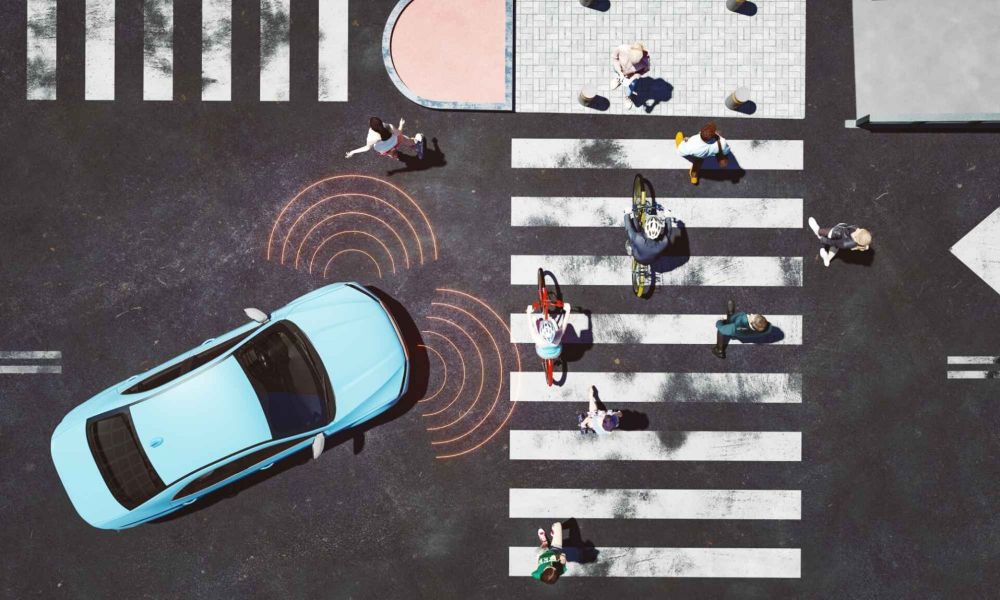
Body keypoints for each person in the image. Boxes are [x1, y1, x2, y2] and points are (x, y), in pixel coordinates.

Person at [345, 117, 424, 161]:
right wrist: (401, 124)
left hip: (384, 150)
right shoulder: (389, 126)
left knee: (389, 151)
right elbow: (399, 133)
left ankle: (394, 155)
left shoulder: (372, 137)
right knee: (403, 138)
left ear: (372, 127)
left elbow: (367, 148)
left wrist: (353, 152)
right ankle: (415, 143)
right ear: (381, 122)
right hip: (396, 142)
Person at [807, 218, 872, 267]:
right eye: (861, 229)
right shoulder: (859, 240)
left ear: (856, 238)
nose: (858, 229)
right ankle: (827, 259)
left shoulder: (845, 243)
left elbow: (834, 243)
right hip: (840, 241)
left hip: (835, 235)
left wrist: (824, 240)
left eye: (859, 230)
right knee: (835, 248)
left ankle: (817, 232)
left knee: (827, 237)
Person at [611, 42, 650, 109]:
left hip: (630, 77)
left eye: (636, 63)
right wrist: (620, 72)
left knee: (629, 89)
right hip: (619, 69)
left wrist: (633, 78)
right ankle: (618, 79)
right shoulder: (621, 48)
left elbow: (643, 71)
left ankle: (628, 97)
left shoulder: (645, 62)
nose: (632, 64)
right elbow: (614, 58)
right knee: (616, 71)